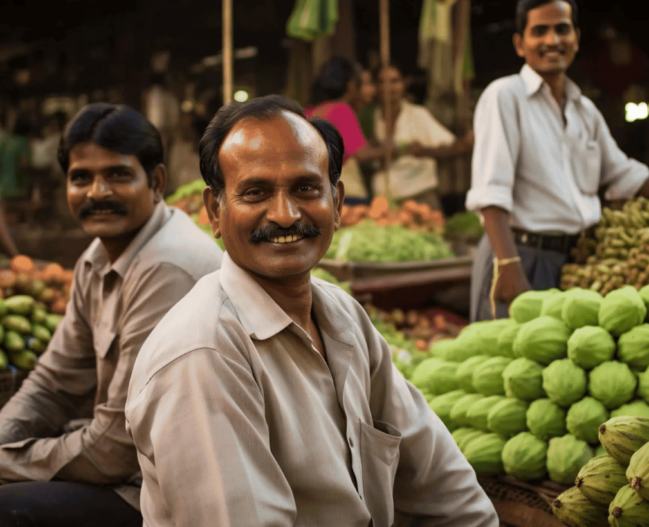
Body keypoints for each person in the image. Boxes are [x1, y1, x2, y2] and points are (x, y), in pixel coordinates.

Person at [125, 95, 498, 527]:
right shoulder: (203, 353)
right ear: (215, 211)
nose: (285, 215)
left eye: (305, 188)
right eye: (256, 192)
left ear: (337, 203)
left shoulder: (342, 315)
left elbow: (444, 486)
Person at [0, 103, 223, 526]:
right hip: (127, 471)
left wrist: (8, 463)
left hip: (165, 492)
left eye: (117, 175)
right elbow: (53, 383)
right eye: (81, 177)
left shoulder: (166, 266)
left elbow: (114, 449)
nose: (96, 192)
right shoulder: (99, 257)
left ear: (156, 182)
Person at [466, 0, 649, 322]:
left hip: (574, 263)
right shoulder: (504, 95)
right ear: (520, 44)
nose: (552, 40)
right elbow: (490, 192)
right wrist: (508, 266)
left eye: (562, 29)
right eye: (540, 31)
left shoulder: (584, 110)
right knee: (509, 368)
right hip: (518, 254)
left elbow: (622, 175)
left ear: (576, 37)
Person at [373, 64, 474, 209]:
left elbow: (452, 147)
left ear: (403, 84)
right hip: (383, 200)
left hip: (420, 195)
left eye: (394, 81)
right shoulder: (371, 117)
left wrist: (422, 151)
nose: (388, 87)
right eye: (382, 82)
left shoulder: (418, 114)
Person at [307, 56, 399, 204]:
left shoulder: (312, 111)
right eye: (363, 83)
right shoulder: (341, 110)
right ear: (351, 86)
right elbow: (362, 154)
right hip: (342, 193)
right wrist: (390, 149)